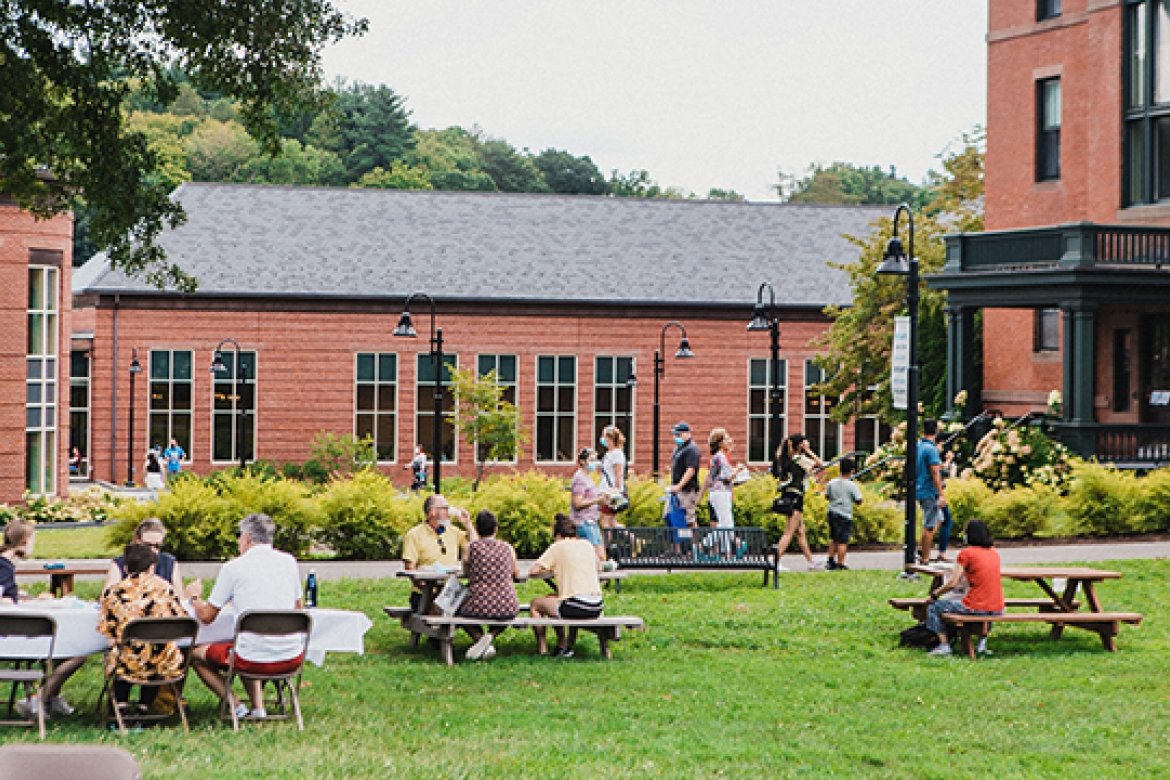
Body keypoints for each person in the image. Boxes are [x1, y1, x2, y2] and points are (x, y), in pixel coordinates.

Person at [186, 513, 304, 721]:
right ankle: (258, 708)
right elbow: (298, 607)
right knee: (247, 640)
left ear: (248, 538)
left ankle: (235, 704)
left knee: (195, 653)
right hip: (290, 655)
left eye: (240, 537)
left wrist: (194, 597)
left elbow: (206, 617)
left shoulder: (233, 568)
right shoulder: (289, 562)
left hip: (250, 657)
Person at [3, 521, 84, 720]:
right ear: (23, 543)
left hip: (12, 632)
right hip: (11, 635)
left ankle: (50, 696)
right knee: (77, 652)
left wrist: (21, 597)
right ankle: (41, 697)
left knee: (65, 648)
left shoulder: (6, 564)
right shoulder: (4, 566)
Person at [98, 542, 187, 713]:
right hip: (162, 660)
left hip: (126, 661)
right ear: (152, 567)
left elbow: (108, 629)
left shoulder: (115, 593)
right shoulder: (166, 589)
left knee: (121, 655)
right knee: (154, 652)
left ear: (125, 568)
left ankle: (120, 706)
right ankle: (144, 706)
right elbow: (180, 619)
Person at [528, 513, 604, 658]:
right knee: (553, 598)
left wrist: (550, 567)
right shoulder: (587, 545)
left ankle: (543, 649)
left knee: (535, 604)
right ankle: (563, 645)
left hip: (575, 605)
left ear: (558, 535)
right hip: (596, 605)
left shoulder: (558, 547)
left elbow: (533, 571)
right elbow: (599, 568)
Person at [925, 520, 1004, 657]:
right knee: (985, 605)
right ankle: (982, 643)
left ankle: (944, 645)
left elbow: (953, 583)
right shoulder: (994, 553)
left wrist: (934, 594)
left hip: (976, 606)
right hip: (998, 607)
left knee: (934, 607)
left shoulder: (966, 553)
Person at [458, 510, 520, 662]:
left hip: (479, 604)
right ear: (496, 529)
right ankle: (490, 635)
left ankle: (480, 638)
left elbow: (465, 571)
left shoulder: (471, 548)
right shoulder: (507, 548)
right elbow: (516, 572)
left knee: (457, 612)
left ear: (478, 530)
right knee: (507, 613)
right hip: (507, 605)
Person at [401, 494, 476, 611]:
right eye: (445, 508)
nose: (449, 512)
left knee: (470, 610)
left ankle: (487, 631)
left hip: (450, 592)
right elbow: (410, 568)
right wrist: (428, 589)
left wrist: (468, 524)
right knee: (441, 612)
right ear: (432, 512)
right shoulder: (414, 535)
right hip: (424, 593)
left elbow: (475, 546)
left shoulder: (452, 531)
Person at [773, 434, 823, 571]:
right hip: (796, 498)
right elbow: (820, 464)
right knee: (789, 532)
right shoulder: (799, 459)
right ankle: (775, 561)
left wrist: (790, 445)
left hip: (788, 496)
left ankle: (811, 561)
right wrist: (807, 450)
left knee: (800, 531)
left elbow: (780, 452)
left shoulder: (783, 459)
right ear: (799, 445)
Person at [104, 518, 184, 595]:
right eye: (147, 545)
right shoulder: (120, 563)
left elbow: (180, 598)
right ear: (137, 541)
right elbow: (107, 596)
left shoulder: (169, 563)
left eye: (157, 546)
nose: (152, 550)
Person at [916, 419, 948, 565]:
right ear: (936, 431)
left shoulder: (918, 446)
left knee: (940, 519)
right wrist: (941, 494)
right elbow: (935, 473)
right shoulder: (931, 449)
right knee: (929, 526)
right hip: (929, 491)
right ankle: (925, 558)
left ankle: (923, 547)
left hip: (919, 487)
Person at [824, 456, 863, 570]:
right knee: (843, 541)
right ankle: (840, 563)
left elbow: (827, 496)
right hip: (845, 515)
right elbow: (859, 499)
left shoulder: (832, 483)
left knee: (833, 538)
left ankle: (830, 560)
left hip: (832, 512)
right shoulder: (851, 485)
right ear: (852, 471)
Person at [570, 447, 607, 565]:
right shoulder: (579, 478)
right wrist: (597, 500)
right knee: (595, 558)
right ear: (582, 461)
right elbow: (577, 503)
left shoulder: (587, 477)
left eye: (595, 460)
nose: (594, 463)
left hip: (592, 522)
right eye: (591, 460)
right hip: (584, 522)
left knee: (601, 557)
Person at [701, 428, 737, 529]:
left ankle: (705, 544)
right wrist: (738, 470)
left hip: (717, 493)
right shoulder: (721, 457)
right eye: (726, 438)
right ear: (720, 443)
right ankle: (707, 544)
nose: (729, 440)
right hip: (721, 493)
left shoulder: (717, 457)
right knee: (727, 525)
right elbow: (727, 477)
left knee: (723, 524)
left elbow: (713, 476)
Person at [668, 421, 702, 529]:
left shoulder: (692, 449)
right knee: (673, 518)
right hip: (676, 490)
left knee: (689, 520)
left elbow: (690, 470)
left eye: (678, 435)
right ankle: (677, 545)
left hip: (687, 490)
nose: (675, 437)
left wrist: (679, 486)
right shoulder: (679, 448)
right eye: (674, 435)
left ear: (687, 434)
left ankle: (695, 545)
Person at [597, 425, 627, 530]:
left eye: (604, 436)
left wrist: (617, 492)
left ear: (609, 438)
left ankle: (605, 546)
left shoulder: (617, 454)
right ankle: (635, 541)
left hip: (611, 493)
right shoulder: (608, 454)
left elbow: (618, 475)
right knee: (612, 522)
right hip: (606, 491)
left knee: (605, 521)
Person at [933, 449, 958, 562]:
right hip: (936, 493)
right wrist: (948, 461)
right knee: (946, 521)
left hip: (935, 493)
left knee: (940, 521)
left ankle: (924, 548)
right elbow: (939, 473)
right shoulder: (933, 455)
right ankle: (940, 552)